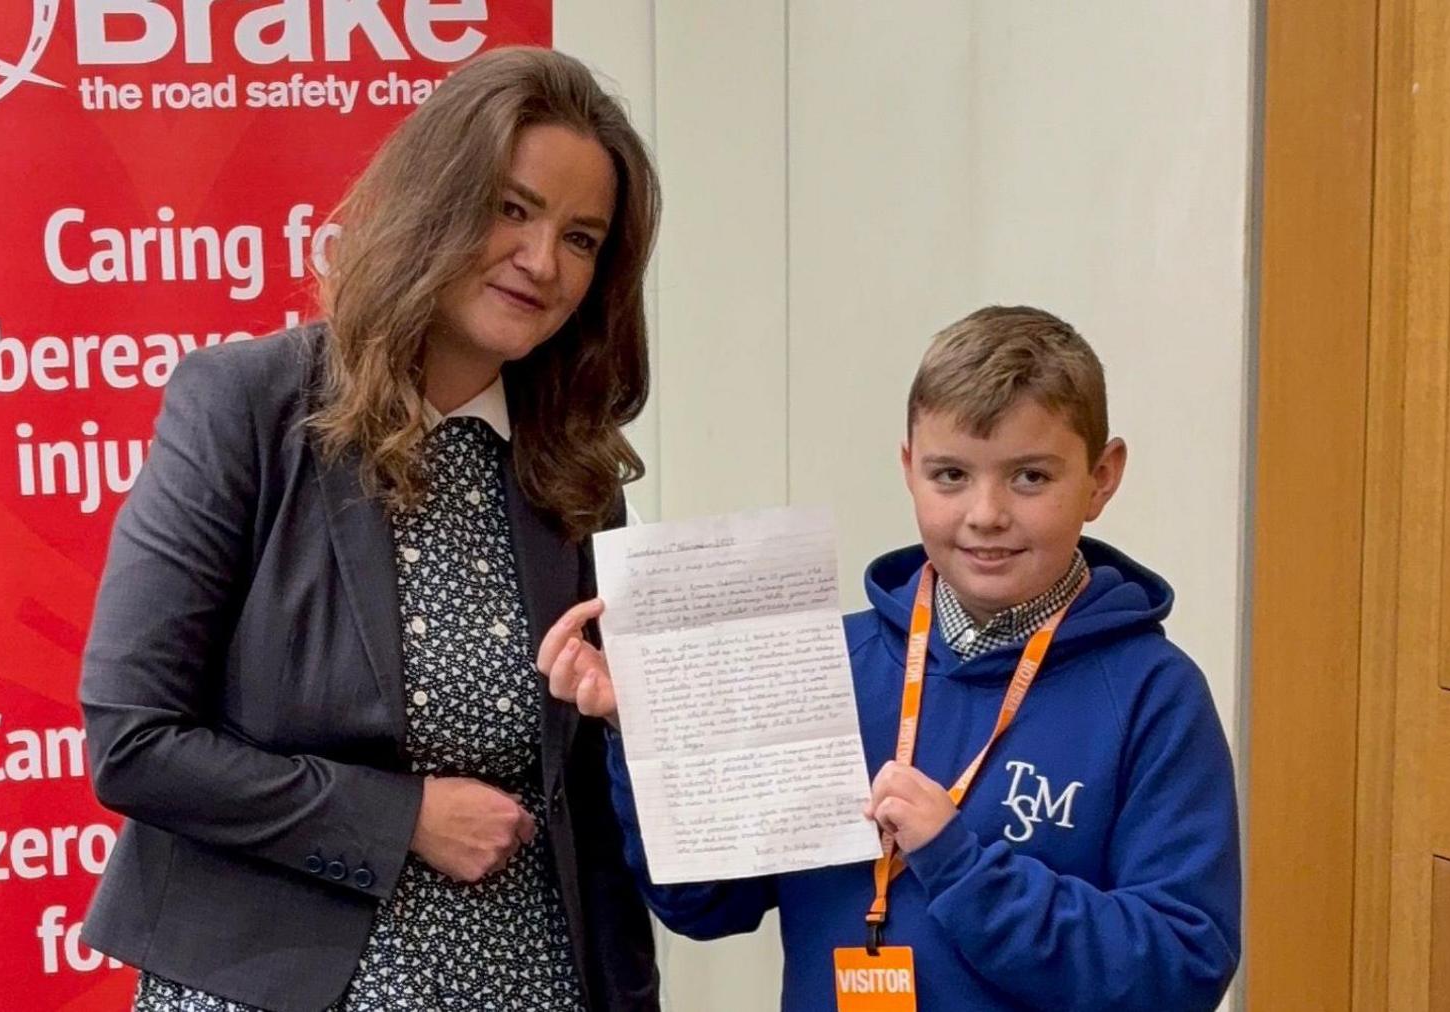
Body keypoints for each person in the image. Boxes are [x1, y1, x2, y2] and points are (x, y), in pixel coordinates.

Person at [78, 46, 662, 1012]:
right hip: (268, 980)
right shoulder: (248, 407)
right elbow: (135, 743)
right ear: (435, 201)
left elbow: (589, 808)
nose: (542, 260)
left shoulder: (576, 470)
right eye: (512, 209)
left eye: (582, 237)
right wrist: (401, 819)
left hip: (529, 981)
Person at [540, 306, 1241, 1010]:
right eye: (950, 475)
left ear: (1101, 476)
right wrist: (648, 734)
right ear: (908, 466)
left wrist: (963, 867)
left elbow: (1182, 967)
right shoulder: (827, 663)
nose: (986, 513)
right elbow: (706, 905)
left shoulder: (1154, 695)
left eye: (1030, 477)